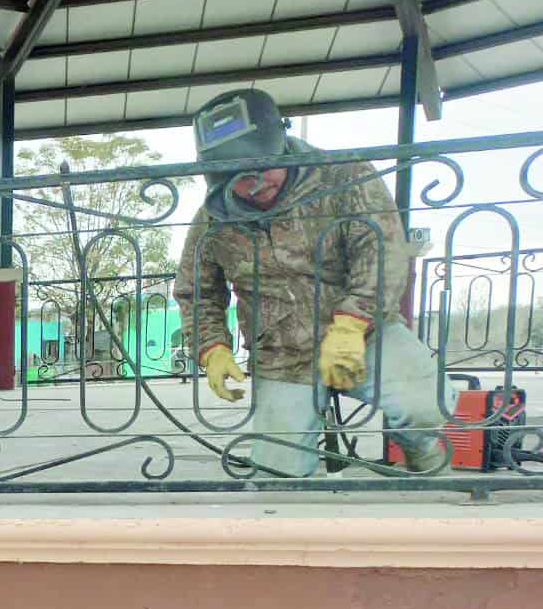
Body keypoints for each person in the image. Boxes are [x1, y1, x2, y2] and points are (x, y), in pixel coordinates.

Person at [173, 88, 449, 476]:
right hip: (282, 354)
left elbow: (383, 251)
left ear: (282, 145)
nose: (254, 185)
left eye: (261, 168)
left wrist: (354, 323)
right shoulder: (212, 219)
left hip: (367, 334)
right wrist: (211, 347)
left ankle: (422, 451)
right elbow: (196, 290)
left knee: (427, 406)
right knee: (278, 475)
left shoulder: (344, 176)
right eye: (238, 178)